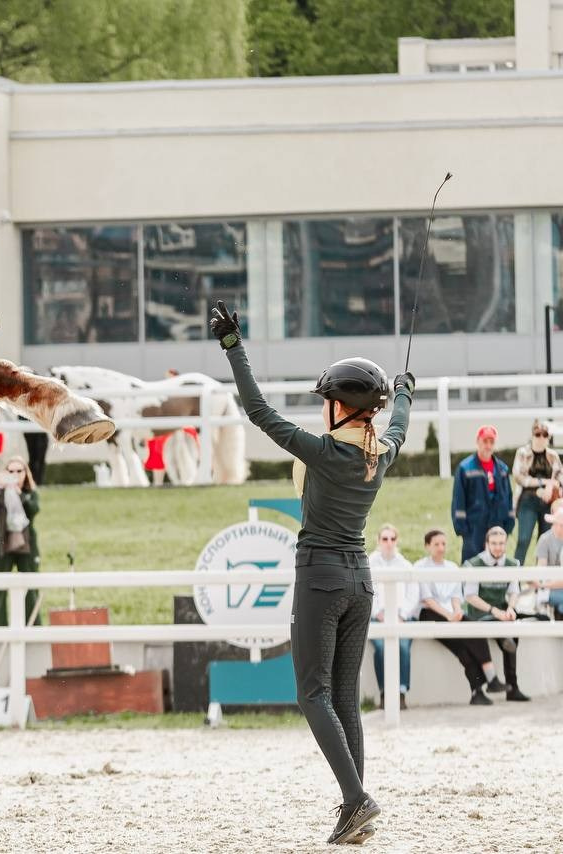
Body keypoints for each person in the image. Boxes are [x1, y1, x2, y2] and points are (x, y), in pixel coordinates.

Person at [210, 300, 410, 845]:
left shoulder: (322, 452)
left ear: (341, 407)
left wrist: (233, 347)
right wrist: (406, 391)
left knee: (312, 694)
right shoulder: (379, 454)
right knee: (345, 697)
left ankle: (356, 799)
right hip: (360, 580)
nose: (321, 407)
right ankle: (355, 809)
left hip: (320, 576)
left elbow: (256, 410)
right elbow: (401, 428)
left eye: (326, 400)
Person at [415, 529, 502, 705]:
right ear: (427, 546)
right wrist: (448, 615)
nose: (441, 548)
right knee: (462, 649)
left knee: (475, 630)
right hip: (431, 614)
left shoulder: (452, 567)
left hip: (451, 612)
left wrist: (456, 611)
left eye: (443, 544)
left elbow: (456, 596)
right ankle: (478, 690)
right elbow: (428, 599)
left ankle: (490, 679)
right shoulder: (420, 567)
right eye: (436, 544)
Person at [463, 526, 539, 702]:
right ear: (487, 544)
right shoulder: (475, 564)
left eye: (501, 543)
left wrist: (511, 608)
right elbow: (470, 597)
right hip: (481, 614)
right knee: (503, 631)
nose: (498, 547)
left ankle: (512, 687)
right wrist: (493, 610)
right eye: (494, 543)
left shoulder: (512, 563)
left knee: (513, 632)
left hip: (502, 611)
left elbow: (514, 591)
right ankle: (505, 638)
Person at [367, 524, 420, 709]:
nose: (389, 543)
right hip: (377, 618)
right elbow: (365, 592)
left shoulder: (405, 564)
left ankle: (401, 693)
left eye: (392, 539)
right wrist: (377, 613)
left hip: (401, 618)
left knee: (403, 647)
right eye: (385, 539)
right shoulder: (369, 564)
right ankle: (384, 693)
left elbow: (413, 594)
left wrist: (402, 615)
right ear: (378, 541)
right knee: (381, 649)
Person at [0, 455, 42, 627]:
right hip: (3, 544)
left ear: (26, 472)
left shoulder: (30, 492)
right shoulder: (1, 492)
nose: (16, 475)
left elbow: (34, 510)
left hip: (26, 545)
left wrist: (20, 495)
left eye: (19, 471)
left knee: (30, 587)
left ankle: (33, 626)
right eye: (11, 471)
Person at [452, 425, 514, 564]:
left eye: (491, 442)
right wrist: (462, 528)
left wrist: (509, 523)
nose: (488, 445)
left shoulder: (502, 469)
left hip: (497, 523)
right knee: (472, 563)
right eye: (485, 441)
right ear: (478, 441)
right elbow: (458, 499)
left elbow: (508, 497)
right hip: (474, 526)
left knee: (496, 562)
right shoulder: (465, 468)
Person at [511, 420, 563, 564]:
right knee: (524, 539)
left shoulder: (553, 455)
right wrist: (543, 482)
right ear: (533, 435)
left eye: (545, 435)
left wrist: (551, 486)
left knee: (545, 540)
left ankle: (542, 580)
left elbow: (560, 477)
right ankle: (515, 580)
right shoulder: (523, 452)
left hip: (547, 503)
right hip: (528, 501)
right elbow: (519, 477)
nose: (541, 438)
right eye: (538, 434)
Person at [533, 500, 563, 618]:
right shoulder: (545, 539)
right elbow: (541, 568)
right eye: (559, 524)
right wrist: (544, 584)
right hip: (550, 586)